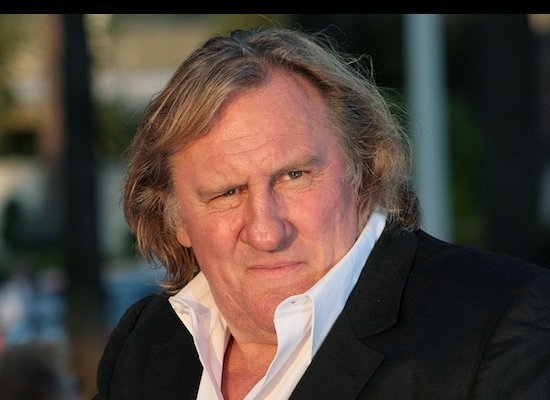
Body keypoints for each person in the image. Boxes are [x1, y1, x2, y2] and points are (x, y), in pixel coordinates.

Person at [92, 26, 550, 400]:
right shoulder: (146, 344)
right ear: (175, 219)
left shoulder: (500, 322)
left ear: (363, 169)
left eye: (294, 176)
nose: (266, 231)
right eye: (227, 192)